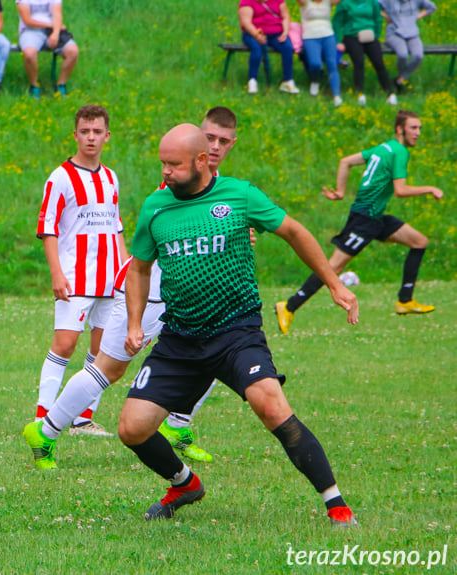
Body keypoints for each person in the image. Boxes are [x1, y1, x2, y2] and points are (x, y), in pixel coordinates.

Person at [118, 124, 359, 526]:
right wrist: (133, 324)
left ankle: (336, 505)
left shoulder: (240, 195)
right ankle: (184, 484)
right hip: (180, 337)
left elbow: (294, 232)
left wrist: (333, 284)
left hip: (235, 331)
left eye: (174, 165)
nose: (166, 173)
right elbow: (139, 269)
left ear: (200, 161)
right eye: (162, 164)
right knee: (132, 428)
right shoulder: (154, 207)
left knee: (270, 404)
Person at [23, 107, 240, 469]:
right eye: (209, 139)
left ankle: (178, 425)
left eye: (222, 141)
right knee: (107, 368)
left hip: (178, 292)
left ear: (232, 144)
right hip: (148, 291)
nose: (215, 147)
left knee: (221, 350)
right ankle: (46, 429)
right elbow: (171, 231)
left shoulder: (216, 184)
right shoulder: (179, 179)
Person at [276, 110, 443, 333]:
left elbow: (345, 162)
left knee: (419, 241)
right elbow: (400, 190)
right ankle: (288, 306)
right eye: (413, 128)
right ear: (399, 129)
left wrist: (341, 192)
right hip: (365, 218)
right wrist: (430, 188)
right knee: (333, 267)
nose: (418, 133)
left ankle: (405, 300)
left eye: (420, 128)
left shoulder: (382, 148)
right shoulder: (399, 151)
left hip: (374, 217)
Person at [33, 104, 127, 440]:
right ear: (75, 135)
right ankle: (43, 415)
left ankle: (83, 418)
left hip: (110, 278)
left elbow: (116, 227)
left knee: (102, 350)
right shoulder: (60, 177)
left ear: (107, 136)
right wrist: (57, 274)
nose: (91, 137)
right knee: (65, 344)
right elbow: (48, 228)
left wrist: (127, 271)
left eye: (97, 132)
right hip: (75, 277)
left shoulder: (111, 177)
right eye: (85, 131)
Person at [332, 0, 397, 106]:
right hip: (352, 36)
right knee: (359, 63)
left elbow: (377, 19)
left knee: (379, 63)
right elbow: (337, 22)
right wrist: (338, 41)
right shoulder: (345, 4)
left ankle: (390, 94)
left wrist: (376, 34)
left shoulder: (372, 2)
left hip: (370, 36)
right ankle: (360, 94)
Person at [16, 0, 79, 99]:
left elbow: (57, 15)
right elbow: (27, 20)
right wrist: (51, 25)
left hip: (54, 30)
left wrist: (56, 32)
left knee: (73, 51)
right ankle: (34, 85)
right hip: (30, 30)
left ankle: (60, 85)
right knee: (29, 54)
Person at [238, 0, 300, 95]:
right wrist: (256, 35)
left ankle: (288, 80)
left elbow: (285, 16)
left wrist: (285, 32)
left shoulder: (278, 1)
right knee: (256, 48)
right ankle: (252, 80)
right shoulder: (247, 2)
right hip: (253, 33)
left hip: (275, 33)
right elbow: (246, 22)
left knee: (287, 47)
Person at [379, 0, 437, 93]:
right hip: (394, 33)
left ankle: (400, 79)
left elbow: (432, 7)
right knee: (403, 55)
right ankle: (400, 82)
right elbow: (372, 6)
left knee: (418, 56)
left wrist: (418, 16)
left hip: (412, 33)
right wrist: (385, 16)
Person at [297, 0, 344, 106]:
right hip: (310, 36)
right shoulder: (305, 2)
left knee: (332, 64)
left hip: (328, 35)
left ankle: (336, 96)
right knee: (315, 64)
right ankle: (315, 80)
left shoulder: (328, 1)